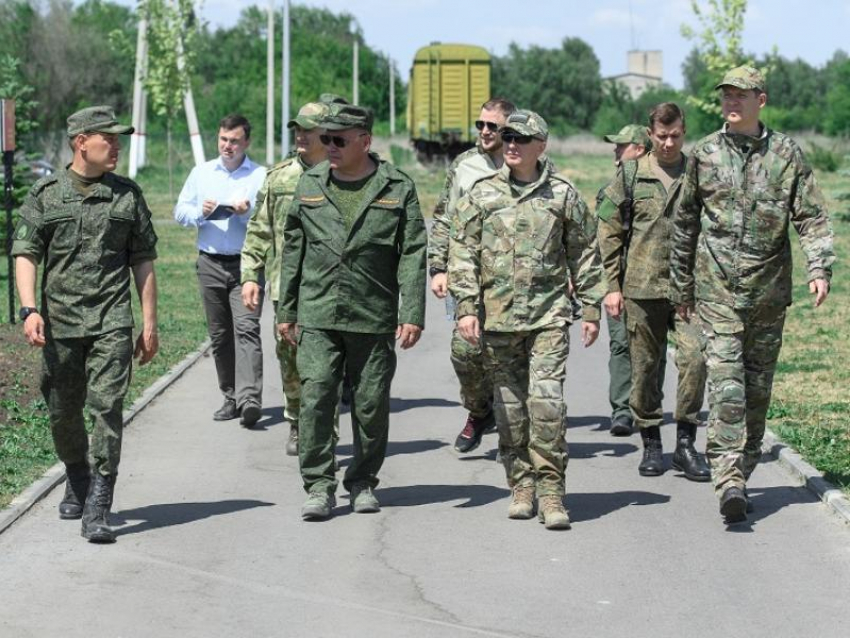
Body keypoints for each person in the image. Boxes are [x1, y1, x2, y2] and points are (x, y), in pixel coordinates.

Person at [669, 66, 834, 523]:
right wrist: (681, 286)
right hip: (717, 293)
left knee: (757, 394)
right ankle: (729, 480)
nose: (731, 103)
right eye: (726, 96)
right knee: (728, 390)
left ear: (761, 100)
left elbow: (811, 216)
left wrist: (819, 267)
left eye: (741, 96)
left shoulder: (786, 154)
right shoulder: (704, 154)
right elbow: (684, 223)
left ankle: (743, 466)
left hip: (768, 295)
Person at [449, 110, 605, 530]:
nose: (511, 144)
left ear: (542, 145)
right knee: (511, 411)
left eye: (521, 138)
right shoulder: (481, 195)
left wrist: (591, 308)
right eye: (507, 137)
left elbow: (584, 253)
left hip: (548, 318)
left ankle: (552, 491)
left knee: (547, 405)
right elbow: (462, 253)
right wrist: (466, 307)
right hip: (497, 321)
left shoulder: (563, 194)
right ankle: (521, 484)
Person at [11, 106, 159, 543]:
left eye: (118, 139)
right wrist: (28, 308)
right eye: (107, 138)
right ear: (81, 142)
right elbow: (26, 253)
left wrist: (148, 322)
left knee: (107, 409)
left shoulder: (127, 196)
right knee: (61, 412)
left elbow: (144, 260)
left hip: (112, 320)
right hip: (60, 323)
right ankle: (78, 476)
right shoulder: (46, 193)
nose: (116, 146)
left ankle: (99, 503)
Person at [277, 103, 427, 520]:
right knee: (316, 398)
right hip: (318, 310)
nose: (329, 146)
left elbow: (413, 252)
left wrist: (411, 311)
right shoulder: (310, 183)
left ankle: (362, 482)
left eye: (338, 140)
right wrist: (286, 310)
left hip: (372, 311)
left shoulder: (396, 185)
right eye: (326, 139)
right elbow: (293, 250)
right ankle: (319, 485)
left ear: (365, 140)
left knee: (370, 404)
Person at [597, 103, 709, 481]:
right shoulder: (630, 175)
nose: (668, 143)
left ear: (684, 131)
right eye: (661, 136)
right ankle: (651, 444)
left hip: (689, 291)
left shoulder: (698, 172)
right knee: (645, 369)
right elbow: (609, 232)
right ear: (650, 134)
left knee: (694, 360)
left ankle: (686, 444)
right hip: (641, 289)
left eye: (675, 135)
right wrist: (611, 286)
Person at [241, 97, 346, 455]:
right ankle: (298, 422)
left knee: (325, 364)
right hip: (285, 288)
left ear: (327, 133)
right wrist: (250, 276)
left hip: (329, 288)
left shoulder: (342, 175)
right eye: (297, 129)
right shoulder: (279, 177)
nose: (301, 135)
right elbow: (259, 230)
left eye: (308, 130)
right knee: (289, 360)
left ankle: (325, 430)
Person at [429, 97, 515, 453]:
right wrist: (438, 266)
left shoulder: (528, 162)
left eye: (491, 126)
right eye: (479, 125)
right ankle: (479, 412)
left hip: (513, 279)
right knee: (465, 353)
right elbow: (443, 217)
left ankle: (514, 429)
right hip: (468, 276)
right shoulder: (464, 165)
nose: (483, 131)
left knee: (508, 356)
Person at [174, 114, 267, 427]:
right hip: (210, 263)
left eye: (235, 141)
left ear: (246, 143)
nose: (228, 146)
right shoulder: (202, 173)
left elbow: (266, 222)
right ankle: (230, 396)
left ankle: (250, 399)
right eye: (224, 140)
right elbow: (180, 211)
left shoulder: (259, 176)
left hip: (247, 266)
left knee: (247, 329)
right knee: (220, 335)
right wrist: (200, 213)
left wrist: (245, 213)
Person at [597, 123, 652, 436]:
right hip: (619, 279)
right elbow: (602, 237)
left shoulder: (664, 181)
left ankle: (646, 406)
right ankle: (621, 410)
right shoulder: (612, 188)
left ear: (640, 149)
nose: (615, 150)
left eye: (622, 144)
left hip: (655, 281)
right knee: (620, 345)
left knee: (651, 350)